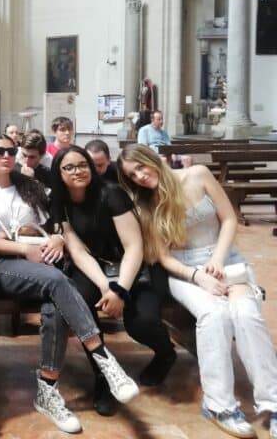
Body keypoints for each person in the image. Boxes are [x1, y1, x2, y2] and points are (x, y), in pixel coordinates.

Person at [0, 135, 138, 433]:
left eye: (11, 150)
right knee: (59, 281)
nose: (6, 156)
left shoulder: (30, 187)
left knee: (55, 305)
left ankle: (47, 389)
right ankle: (102, 356)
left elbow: (55, 225)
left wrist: (58, 239)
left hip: (42, 265)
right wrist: (25, 249)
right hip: (2, 265)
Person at [119, 144, 277, 439]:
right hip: (184, 270)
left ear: (152, 159)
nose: (140, 176)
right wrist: (197, 275)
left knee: (246, 314)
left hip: (225, 258)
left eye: (141, 166)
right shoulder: (146, 205)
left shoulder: (198, 174)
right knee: (214, 315)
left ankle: (273, 402)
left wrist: (217, 259)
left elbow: (229, 219)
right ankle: (219, 406)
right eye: (132, 175)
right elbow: (163, 257)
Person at [49, 145, 176, 416]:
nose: (77, 171)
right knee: (79, 305)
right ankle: (105, 376)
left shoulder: (111, 194)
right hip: (96, 267)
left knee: (141, 323)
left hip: (134, 266)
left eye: (82, 164)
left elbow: (134, 247)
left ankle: (166, 353)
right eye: (68, 167)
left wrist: (119, 290)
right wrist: (105, 285)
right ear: (59, 174)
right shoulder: (59, 201)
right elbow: (78, 251)